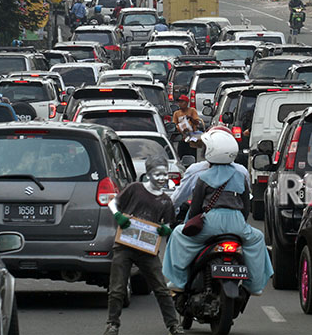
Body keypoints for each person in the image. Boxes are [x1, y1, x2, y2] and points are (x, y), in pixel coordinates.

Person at [163, 129, 273, 295]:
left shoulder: (202, 176)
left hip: (211, 222)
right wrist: (240, 224)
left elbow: (195, 209)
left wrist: (191, 225)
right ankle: (255, 286)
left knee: (179, 234)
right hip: (237, 223)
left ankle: (178, 281)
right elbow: (245, 206)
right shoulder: (241, 175)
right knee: (257, 239)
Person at [105, 154, 182, 335]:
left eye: (165, 174)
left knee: (162, 289)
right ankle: (112, 324)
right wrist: (118, 216)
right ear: (148, 174)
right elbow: (112, 203)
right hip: (124, 246)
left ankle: (173, 325)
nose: (162, 178)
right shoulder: (135, 189)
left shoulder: (165, 201)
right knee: (117, 288)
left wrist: (165, 230)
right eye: (158, 174)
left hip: (147, 250)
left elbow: (168, 224)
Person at [171, 95, 203, 160]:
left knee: (192, 156)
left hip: (191, 139)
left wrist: (191, 118)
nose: (179, 104)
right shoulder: (176, 113)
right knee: (181, 156)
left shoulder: (192, 111)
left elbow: (197, 122)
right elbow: (174, 125)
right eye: (179, 102)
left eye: (181, 102)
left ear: (186, 103)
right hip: (182, 138)